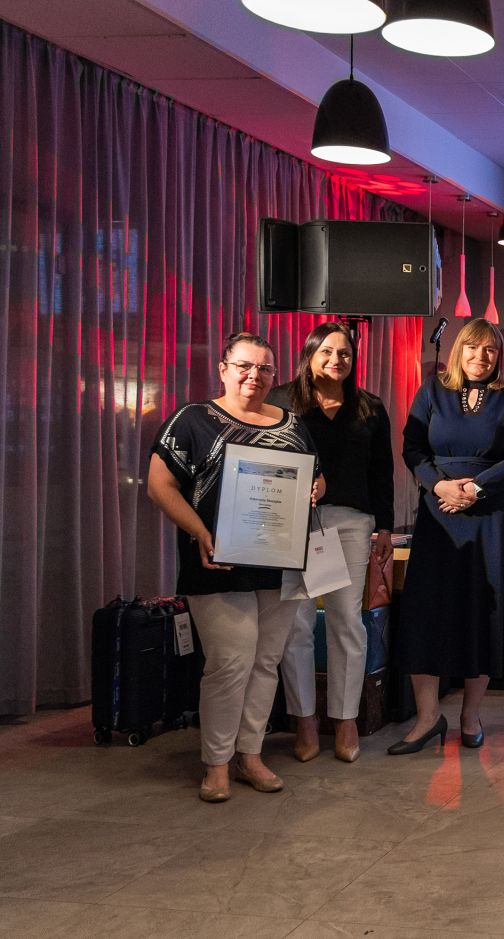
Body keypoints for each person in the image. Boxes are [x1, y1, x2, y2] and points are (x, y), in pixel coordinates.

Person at [146, 331, 322, 802]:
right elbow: (159, 486)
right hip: (216, 563)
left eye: (264, 368)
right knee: (230, 662)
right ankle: (217, 763)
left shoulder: (292, 424)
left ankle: (250, 755)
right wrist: (200, 532)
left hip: (279, 563)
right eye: (244, 366)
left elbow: (316, 476)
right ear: (223, 369)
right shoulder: (192, 420)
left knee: (265, 662)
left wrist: (314, 488)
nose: (254, 376)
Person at [394, 318, 504, 753]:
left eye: (490, 349)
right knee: (427, 610)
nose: (480, 356)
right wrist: (438, 486)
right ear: (458, 350)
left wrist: (477, 488)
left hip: (491, 514)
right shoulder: (431, 391)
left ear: (499, 356)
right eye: (473, 347)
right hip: (439, 516)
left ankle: (470, 715)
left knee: (483, 613)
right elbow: (412, 447)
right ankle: (427, 718)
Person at [268, 322, 394, 765]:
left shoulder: (370, 408)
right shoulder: (280, 401)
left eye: (344, 353)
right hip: (295, 523)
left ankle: (345, 719)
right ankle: (304, 720)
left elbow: (382, 471)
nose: (336, 360)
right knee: (296, 625)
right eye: (327, 351)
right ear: (309, 354)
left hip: (352, 523)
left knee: (347, 622)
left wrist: (385, 528)